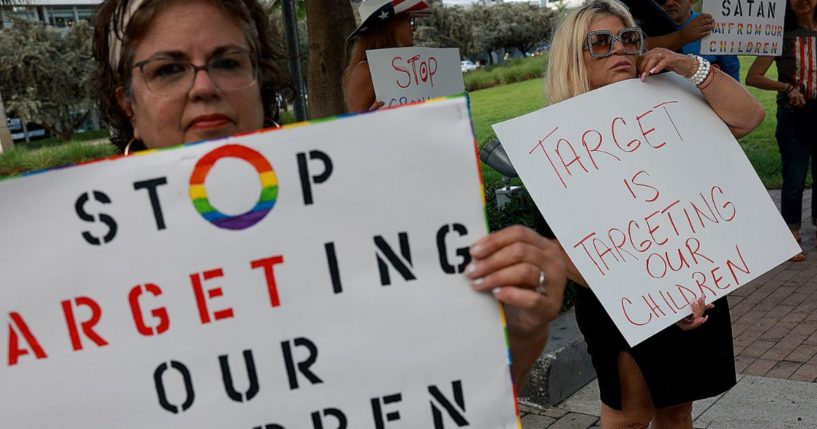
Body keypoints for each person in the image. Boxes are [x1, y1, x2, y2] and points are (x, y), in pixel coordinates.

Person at [91, 0, 567, 388]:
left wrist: (523, 334)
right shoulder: (82, 272)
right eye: (168, 69)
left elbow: (452, 395)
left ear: (260, 82)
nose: (204, 86)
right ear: (127, 102)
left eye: (228, 62)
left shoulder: (367, 221)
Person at [544, 0, 764, 427]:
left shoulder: (672, 94)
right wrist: (657, 298)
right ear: (575, 56)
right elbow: (558, 249)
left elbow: (749, 116)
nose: (620, 51)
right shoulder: (553, 138)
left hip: (694, 284)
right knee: (629, 416)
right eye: (600, 42)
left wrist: (687, 65)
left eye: (629, 38)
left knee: (679, 409)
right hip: (621, 300)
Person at [745, 0, 817, 262]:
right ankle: (792, 235)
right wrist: (786, 88)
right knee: (794, 177)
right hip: (794, 115)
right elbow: (753, 76)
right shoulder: (778, 35)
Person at [343, 0, 430, 113]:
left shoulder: (412, 68)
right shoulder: (366, 70)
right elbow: (352, 125)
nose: (413, 29)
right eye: (409, 21)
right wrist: (369, 117)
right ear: (391, 27)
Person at [660, 0, 740, 80]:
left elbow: (731, 70)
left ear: (691, 1)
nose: (669, 3)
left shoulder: (709, 25)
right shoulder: (650, 31)